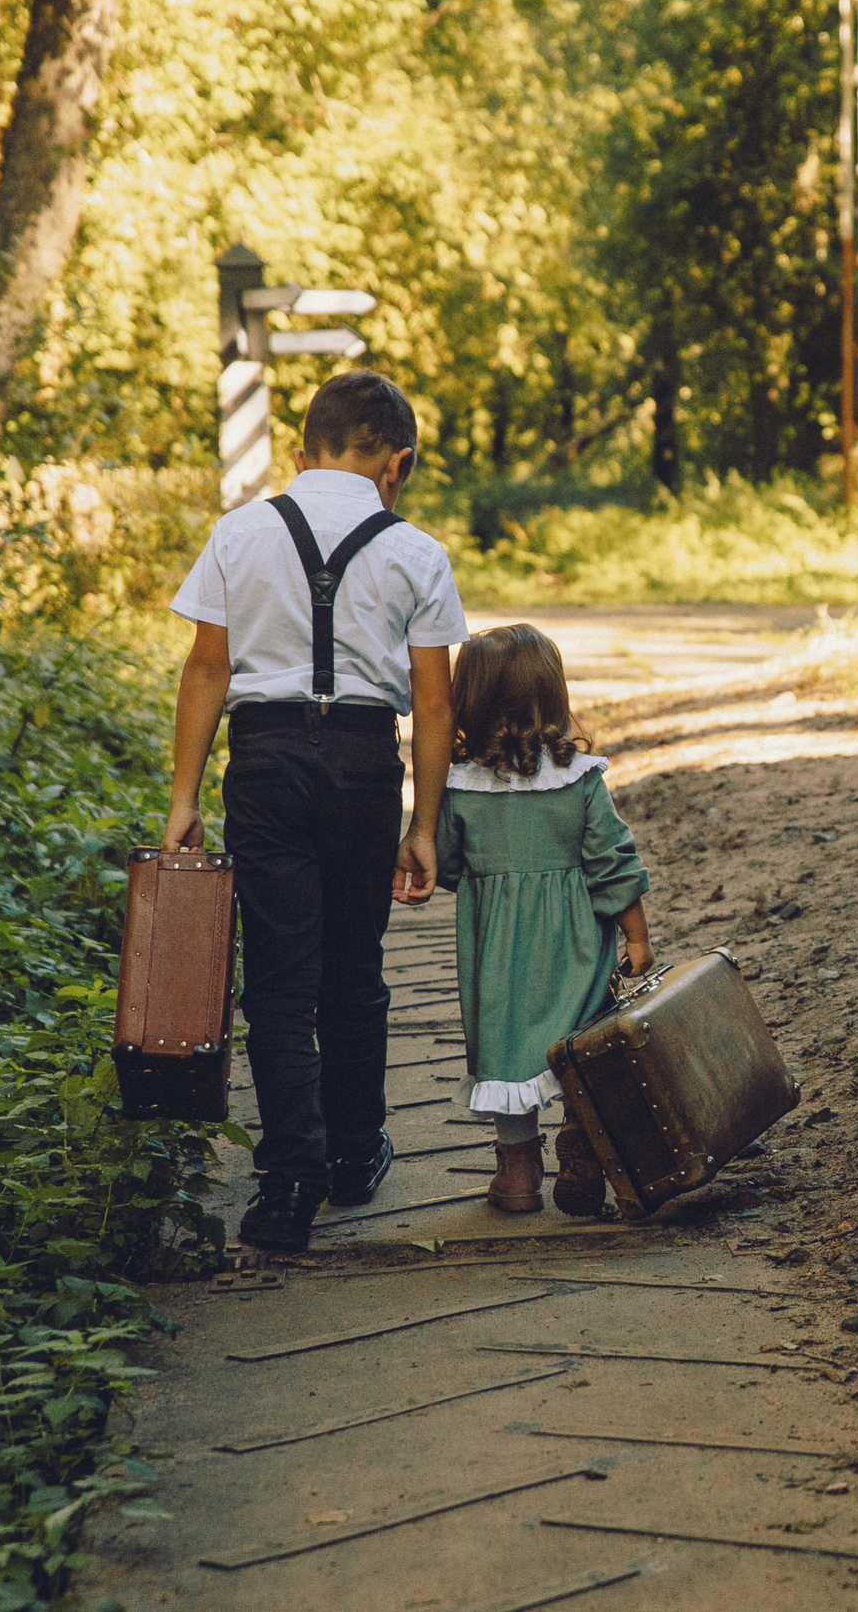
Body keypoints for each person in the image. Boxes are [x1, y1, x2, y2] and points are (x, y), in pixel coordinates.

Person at [162, 369, 466, 1254]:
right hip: (366, 763)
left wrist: (184, 800)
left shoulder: (239, 533)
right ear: (396, 464)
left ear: (303, 452)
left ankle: (287, 1179)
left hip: (265, 763)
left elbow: (207, 670)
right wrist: (423, 824)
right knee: (353, 967)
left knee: (281, 980)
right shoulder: (418, 552)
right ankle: (355, 1148)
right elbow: (435, 701)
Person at [435, 624, 653, 1215]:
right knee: (581, 1042)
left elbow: (447, 867)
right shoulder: (579, 779)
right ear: (553, 693)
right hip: (577, 942)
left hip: (496, 949)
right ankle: (583, 1150)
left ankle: (518, 1173)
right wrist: (636, 936)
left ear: (468, 699)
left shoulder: (458, 786)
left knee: (506, 1049)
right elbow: (613, 860)